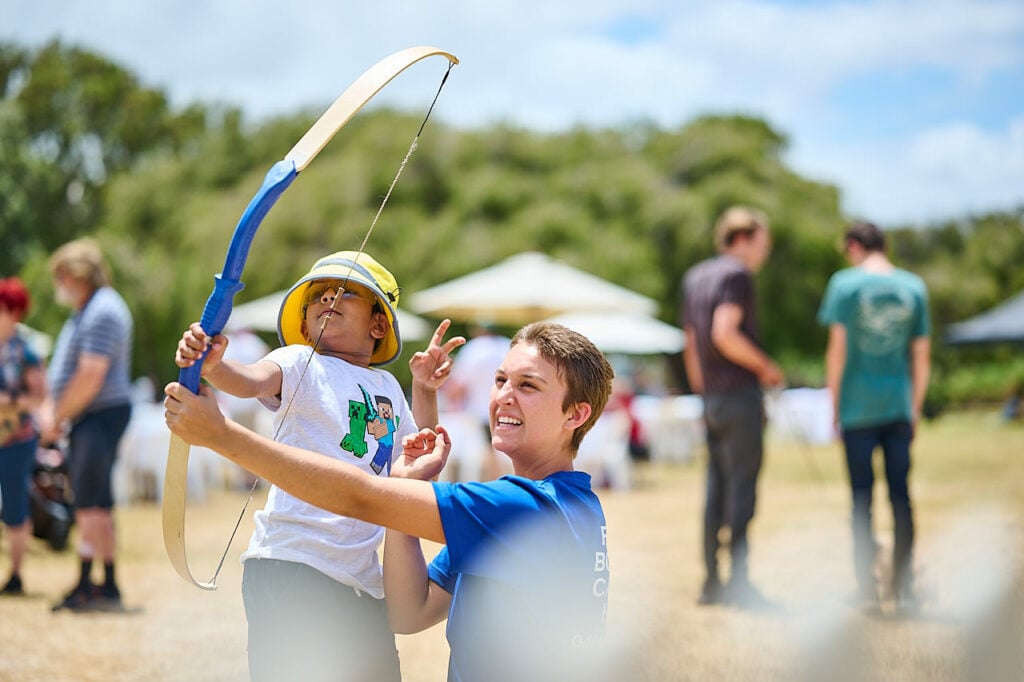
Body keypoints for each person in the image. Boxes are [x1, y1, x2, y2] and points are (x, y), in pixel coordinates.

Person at [165, 321, 614, 682]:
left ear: (575, 415)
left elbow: (361, 497)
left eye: (528, 386)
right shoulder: (569, 505)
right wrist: (404, 488)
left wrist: (222, 436)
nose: (502, 396)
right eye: (500, 380)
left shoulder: (524, 509)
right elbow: (408, 611)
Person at [174, 250, 464, 682]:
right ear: (306, 324)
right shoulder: (296, 361)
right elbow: (248, 381)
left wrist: (424, 388)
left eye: (345, 292)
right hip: (292, 564)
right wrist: (212, 364)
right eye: (319, 296)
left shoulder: (387, 385)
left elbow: (420, 464)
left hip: (363, 580)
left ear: (377, 324)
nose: (329, 298)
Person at [818, 221, 931, 612]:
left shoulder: (845, 285)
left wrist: (834, 407)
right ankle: (903, 586)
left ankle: (867, 588)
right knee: (901, 496)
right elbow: (921, 357)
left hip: (857, 408)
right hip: (898, 405)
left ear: (853, 246)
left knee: (861, 500)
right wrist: (914, 408)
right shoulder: (914, 287)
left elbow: (837, 351)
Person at [681, 206, 784, 607]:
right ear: (742, 237)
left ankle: (711, 581)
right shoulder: (736, 275)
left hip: (711, 398)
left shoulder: (695, 277)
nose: (764, 254)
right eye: (763, 244)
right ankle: (739, 582)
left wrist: (704, 394)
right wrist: (766, 367)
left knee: (714, 490)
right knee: (742, 490)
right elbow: (724, 333)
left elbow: (692, 342)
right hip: (739, 397)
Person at [44, 238, 134, 612]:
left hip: (97, 415)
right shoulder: (91, 309)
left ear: (78, 274)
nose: (58, 283)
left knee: (88, 504)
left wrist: (56, 416)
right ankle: (106, 582)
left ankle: (88, 583)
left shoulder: (101, 311)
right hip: (95, 415)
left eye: (62, 274)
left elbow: (89, 376)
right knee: (97, 503)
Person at [0, 277, 49, 596]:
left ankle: (16, 575)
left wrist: (12, 403)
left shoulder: (26, 352)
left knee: (15, 506)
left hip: (15, 439)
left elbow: (41, 396)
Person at [444, 322, 511, 480]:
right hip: (506, 407)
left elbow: (459, 385)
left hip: (478, 411)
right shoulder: (507, 346)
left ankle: (492, 484)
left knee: (483, 453)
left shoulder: (474, 349)